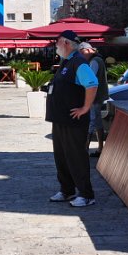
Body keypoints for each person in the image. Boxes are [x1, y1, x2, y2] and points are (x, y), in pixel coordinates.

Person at [45, 30, 99, 208]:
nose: (56, 45)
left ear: (66, 43)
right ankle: (67, 190)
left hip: (73, 120)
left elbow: (92, 84)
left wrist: (85, 107)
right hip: (60, 119)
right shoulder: (66, 61)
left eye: (57, 42)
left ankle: (86, 195)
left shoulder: (78, 63)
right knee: (61, 157)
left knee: (76, 157)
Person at [78, 42, 109, 157]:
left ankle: (85, 148)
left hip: (94, 96)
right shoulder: (97, 60)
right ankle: (100, 148)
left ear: (88, 50)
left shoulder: (95, 61)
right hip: (98, 95)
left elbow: (90, 79)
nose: (81, 56)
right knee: (97, 122)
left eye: (82, 53)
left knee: (91, 121)